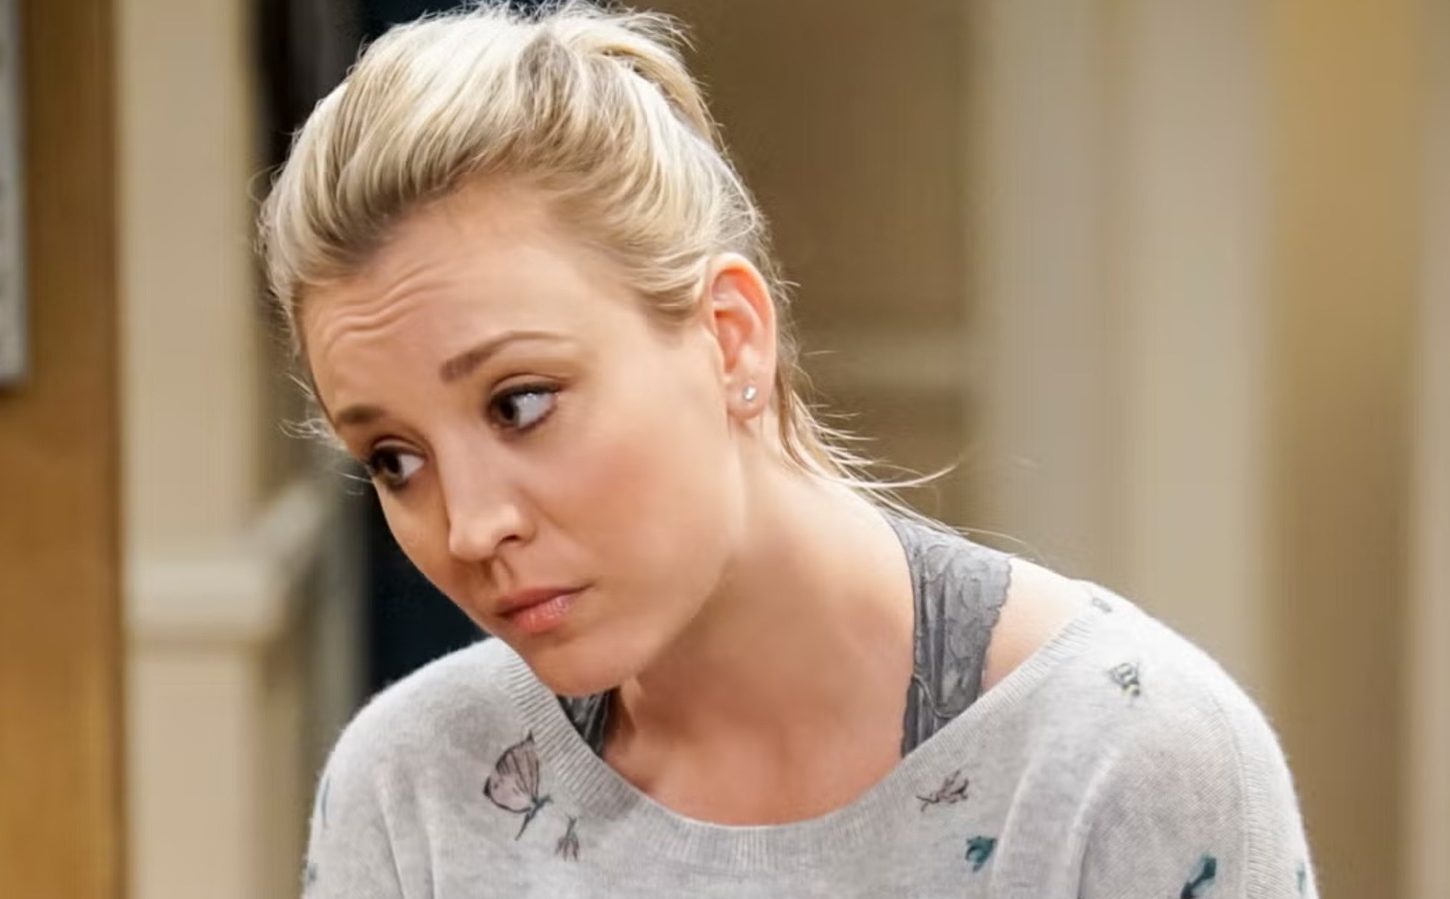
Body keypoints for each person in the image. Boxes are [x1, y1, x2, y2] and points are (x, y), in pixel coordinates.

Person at [259, 3, 1318, 896]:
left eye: (521, 402)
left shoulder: (1124, 761)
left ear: (730, 338)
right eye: (394, 458)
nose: (469, 525)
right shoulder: (413, 785)